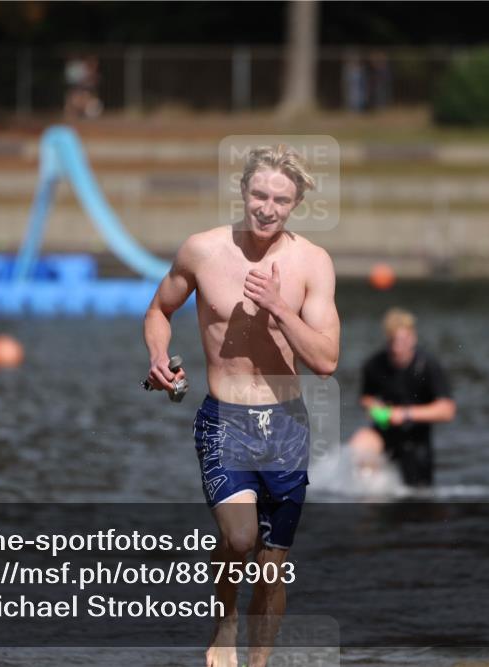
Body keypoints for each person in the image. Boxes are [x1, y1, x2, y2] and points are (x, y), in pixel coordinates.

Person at [144, 145, 340, 667]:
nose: (267, 208)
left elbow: (325, 361)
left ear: (295, 203)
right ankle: (225, 622)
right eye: (259, 194)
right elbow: (159, 309)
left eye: (280, 199)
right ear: (243, 191)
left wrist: (279, 308)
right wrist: (159, 355)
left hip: (286, 425)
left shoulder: (312, 263)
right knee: (239, 535)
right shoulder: (202, 251)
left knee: (272, 566)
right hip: (225, 418)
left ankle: (260, 664)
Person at [348, 308, 456, 486]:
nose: (397, 348)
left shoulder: (428, 365)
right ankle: (369, 495)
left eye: (402, 341)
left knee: (417, 493)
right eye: (393, 341)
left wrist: (405, 414)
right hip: (384, 432)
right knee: (360, 442)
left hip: (416, 438)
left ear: (413, 338)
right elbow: (366, 397)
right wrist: (373, 407)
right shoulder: (374, 364)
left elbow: (447, 410)